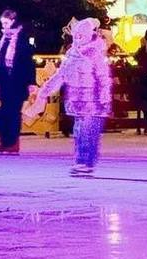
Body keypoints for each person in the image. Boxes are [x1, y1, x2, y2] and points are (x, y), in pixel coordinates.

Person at [29, 17, 112, 176]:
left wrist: (104, 97)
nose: (78, 39)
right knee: (79, 132)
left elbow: (103, 78)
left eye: (81, 36)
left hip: (93, 102)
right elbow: (61, 75)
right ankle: (82, 161)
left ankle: (85, 162)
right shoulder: (72, 54)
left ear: (88, 35)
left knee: (88, 132)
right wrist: (45, 90)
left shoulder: (95, 53)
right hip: (76, 101)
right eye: (76, 36)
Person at [0, 8, 36, 154]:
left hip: (18, 81)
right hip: (5, 81)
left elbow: (28, 61)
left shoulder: (22, 37)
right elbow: (0, 60)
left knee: (13, 112)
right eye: (2, 23)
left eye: (6, 22)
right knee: (4, 112)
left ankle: (12, 143)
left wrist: (30, 82)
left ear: (13, 21)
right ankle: (6, 141)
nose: (3, 26)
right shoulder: (5, 38)